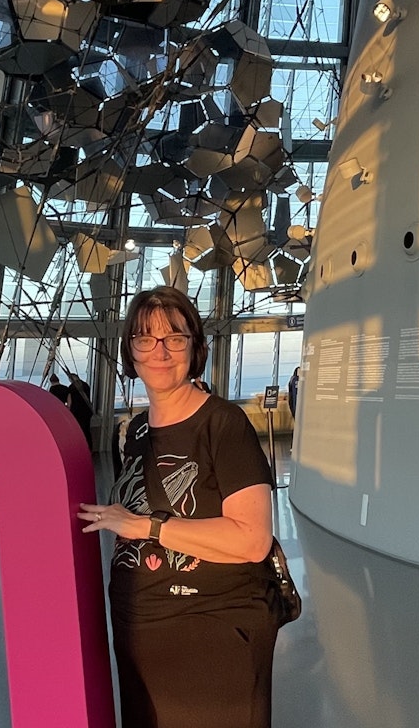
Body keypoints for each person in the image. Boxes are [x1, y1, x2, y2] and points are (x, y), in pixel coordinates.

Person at [78, 286, 277, 728]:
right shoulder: (132, 432)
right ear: (130, 350)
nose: (159, 352)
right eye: (145, 339)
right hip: (143, 630)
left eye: (175, 338)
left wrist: (148, 527)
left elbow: (252, 540)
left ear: (195, 347)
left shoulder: (223, 424)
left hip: (213, 631)